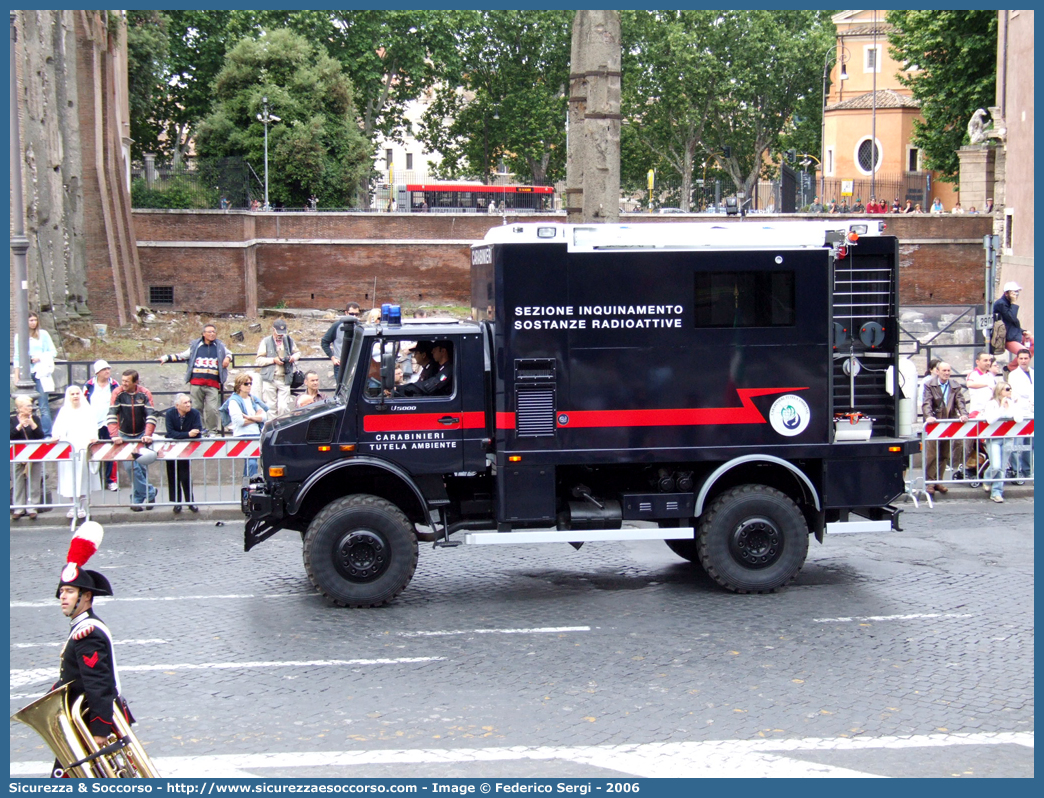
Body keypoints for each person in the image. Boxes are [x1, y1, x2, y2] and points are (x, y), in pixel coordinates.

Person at [51, 523, 135, 777]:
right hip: (84, 721)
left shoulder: (87, 634)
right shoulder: (82, 627)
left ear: (86, 597)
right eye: (62, 592)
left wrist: (99, 730)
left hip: (90, 724)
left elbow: (99, 683)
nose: (63, 597)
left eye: (69, 591)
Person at [159, 323, 232, 436]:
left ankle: (212, 431)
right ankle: (200, 430)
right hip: (196, 382)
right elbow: (183, 355)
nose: (212, 334)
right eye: (209, 332)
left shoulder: (220, 346)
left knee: (212, 409)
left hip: (212, 383)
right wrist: (166, 358)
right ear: (203, 334)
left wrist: (227, 358)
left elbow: (230, 353)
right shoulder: (196, 345)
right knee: (197, 408)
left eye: (214, 332)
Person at [107, 370, 157, 512]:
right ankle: (150, 492)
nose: (123, 384)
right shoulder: (117, 393)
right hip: (124, 435)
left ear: (136, 382)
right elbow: (111, 414)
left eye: (127, 381)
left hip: (141, 434)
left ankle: (136, 500)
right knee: (131, 467)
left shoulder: (145, 393)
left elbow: (151, 415)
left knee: (140, 467)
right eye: (122, 380)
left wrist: (148, 434)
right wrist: (114, 435)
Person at [51, 385, 101, 519]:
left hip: (84, 448)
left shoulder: (88, 411)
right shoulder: (64, 411)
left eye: (77, 393)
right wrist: (56, 436)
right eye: (72, 394)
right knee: (70, 478)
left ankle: (82, 506)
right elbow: (58, 428)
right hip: (69, 449)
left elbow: (93, 427)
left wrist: (93, 438)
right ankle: (73, 506)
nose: (75, 396)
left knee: (83, 478)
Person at [921, 361, 969, 496]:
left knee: (944, 454)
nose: (947, 373)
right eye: (944, 370)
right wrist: (929, 416)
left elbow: (960, 401)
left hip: (948, 423)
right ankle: (930, 482)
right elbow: (926, 403)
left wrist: (964, 414)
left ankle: (938, 481)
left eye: (948, 370)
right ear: (937, 371)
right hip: (934, 424)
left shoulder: (955, 385)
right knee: (932, 454)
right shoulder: (930, 384)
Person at [13, 310, 57, 436]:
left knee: (43, 406)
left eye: (35, 320)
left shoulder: (43, 334)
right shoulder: (19, 337)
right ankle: (27, 432)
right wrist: (16, 376)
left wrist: (40, 357)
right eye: (30, 320)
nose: (33, 323)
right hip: (27, 373)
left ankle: (46, 434)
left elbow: (53, 352)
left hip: (40, 372)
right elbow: (17, 357)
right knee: (25, 406)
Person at [983, 382, 1025, 503]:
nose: (1009, 391)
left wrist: (1015, 404)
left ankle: (996, 492)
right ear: (1000, 391)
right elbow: (990, 420)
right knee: (995, 465)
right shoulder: (991, 404)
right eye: (1007, 389)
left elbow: (1019, 419)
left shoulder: (1011, 403)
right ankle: (987, 478)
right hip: (994, 439)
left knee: (1002, 467)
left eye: (1010, 389)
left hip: (1008, 438)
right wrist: (1001, 407)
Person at [83, 360, 120, 491]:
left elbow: (119, 402)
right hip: (93, 422)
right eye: (104, 369)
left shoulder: (114, 384)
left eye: (108, 369)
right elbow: (84, 403)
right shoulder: (89, 385)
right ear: (97, 372)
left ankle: (111, 480)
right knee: (92, 451)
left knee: (111, 452)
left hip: (109, 422)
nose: (107, 372)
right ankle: (92, 480)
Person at [164, 394, 202, 513]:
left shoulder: (194, 413)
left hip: (186, 449)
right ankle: (177, 503)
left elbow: (198, 431)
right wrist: (187, 434)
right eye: (185, 403)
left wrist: (186, 435)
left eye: (189, 402)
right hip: (171, 448)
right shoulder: (170, 414)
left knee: (185, 476)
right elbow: (171, 433)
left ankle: (190, 502)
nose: (188, 404)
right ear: (177, 406)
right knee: (173, 475)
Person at [255, 319, 300, 417]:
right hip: (270, 378)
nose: (280, 335)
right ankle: (272, 430)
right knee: (270, 407)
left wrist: (293, 358)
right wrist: (273, 360)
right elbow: (259, 360)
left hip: (284, 378)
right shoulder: (266, 341)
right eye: (278, 332)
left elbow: (297, 352)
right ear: (273, 330)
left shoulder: (288, 340)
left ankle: (283, 429)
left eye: (282, 333)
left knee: (283, 407)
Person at [227, 374, 267, 479]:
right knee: (251, 463)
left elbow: (264, 417)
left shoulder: (252, 399)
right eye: (246, 384)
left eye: (250, 383)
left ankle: (246, 491)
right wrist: (255, 418)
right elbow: (239, 421)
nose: (249, 386)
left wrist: (249, 417)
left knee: (251, 463)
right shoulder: (234, 401)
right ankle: (249, 490)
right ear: (239, 386)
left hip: (255, 434)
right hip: (243, 435)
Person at [11, 395, 44, 520]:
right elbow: (10, 435)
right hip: (17, 455)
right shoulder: (12, 420)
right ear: (19, 408)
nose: (31, 408)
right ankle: (18, 508)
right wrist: (19, 426)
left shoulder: (35, 419)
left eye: (31, 405)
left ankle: (32, 507)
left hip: (33, 454)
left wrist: (32, 424)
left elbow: (40, 435)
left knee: (34, 481)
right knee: (18, 481)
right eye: (28, 405)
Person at [1006, 348, 1034, 479]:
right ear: (1017, 359)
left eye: (1025, 358)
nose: (1023, 361)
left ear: (1029, 359)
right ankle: (1016, 471)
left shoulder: (1034, 373)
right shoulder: (1013, 375)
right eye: (1021, 358)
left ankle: (1028, 471)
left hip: (1032, 412)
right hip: (1020, 411)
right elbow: (1014, 393)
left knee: (1030, 444)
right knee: (1018, 443)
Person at [992, 281, 1034, 368]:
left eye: (1017, 292)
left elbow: (1011, 323)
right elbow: (1011, 317)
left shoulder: (1007, 303)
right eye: (1014, 292)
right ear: (1006, 293)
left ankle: (1014, 368)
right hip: (1007, 338)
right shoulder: (1001, 304)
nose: (1016, 294)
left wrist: (1023, 331)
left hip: (1014, 334)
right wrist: (1014, 303)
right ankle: (1010, 368)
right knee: (1025, 353)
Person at [321, 302, 361, 382]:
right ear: (346, 313)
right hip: (340, 364)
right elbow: (324, 342)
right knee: (341, 388)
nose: (354, 317)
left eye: (356, 314)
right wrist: (333, 358)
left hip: (356, 364)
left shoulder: (359, 326)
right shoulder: (337, 325)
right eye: (351, 314)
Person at [965, 352, 997, 417]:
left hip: (990, 411)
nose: (988, 363)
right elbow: (969, 384)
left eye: (989, 360)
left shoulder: (990, 375)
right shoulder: (973, 374)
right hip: (977, 412)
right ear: (977, 362)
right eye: (985, 360)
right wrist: (986, 384)